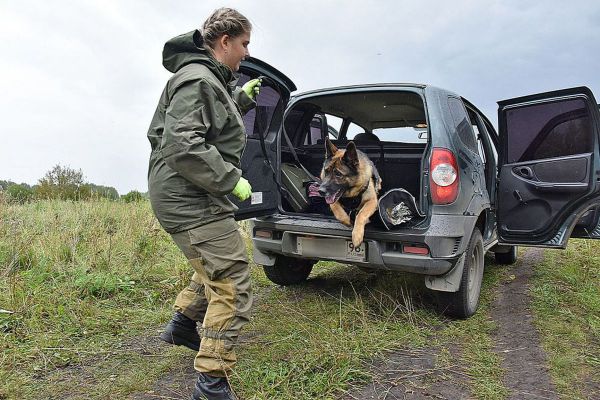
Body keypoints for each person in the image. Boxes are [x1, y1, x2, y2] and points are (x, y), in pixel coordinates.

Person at [146, 7, 262, 400]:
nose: (247, 53)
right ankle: (211, 383)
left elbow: (211, 119)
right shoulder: (197, 79)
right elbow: (183, 144)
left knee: (217, 262)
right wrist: (233, 180)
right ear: (225, 41)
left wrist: (240, 101)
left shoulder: (208, 80)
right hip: (188, 196)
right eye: (244, 44)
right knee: (233, 282)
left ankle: (183, 323)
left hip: (193, 193)